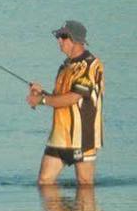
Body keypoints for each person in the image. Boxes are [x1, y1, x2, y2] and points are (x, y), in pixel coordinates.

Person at [27, 20, 104, 186]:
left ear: (75, 40)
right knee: (44, 182)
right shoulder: (64, 67)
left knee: (85, 184)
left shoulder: (91, 65)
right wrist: (41, 94)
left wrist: (42, 100)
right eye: (58, 36)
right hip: (59, 137)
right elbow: (59, 98)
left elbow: (73, 98)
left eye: (63, 36)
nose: (58, 40)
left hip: (82, 138)